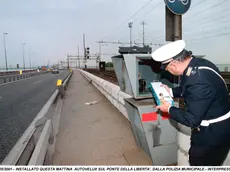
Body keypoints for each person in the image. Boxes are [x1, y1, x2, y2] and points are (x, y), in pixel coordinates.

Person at [151, 40, 230, 166]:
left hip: (211, 136)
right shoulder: (198, 64)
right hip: (218, 127)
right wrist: (171, 91)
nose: (169, 72)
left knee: (199, 163)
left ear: (173, 65)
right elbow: (189, 88)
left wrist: (169, 109)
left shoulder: (198, 80)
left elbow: (192, 120)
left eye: (167, 69)